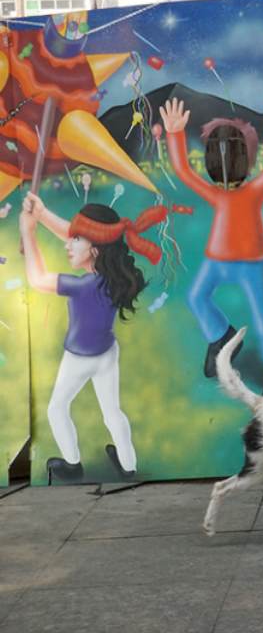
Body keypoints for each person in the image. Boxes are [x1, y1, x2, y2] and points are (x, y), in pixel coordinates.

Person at [19, 191, 166, 483]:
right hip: (107, 354)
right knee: (112, 412)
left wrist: (28, 231)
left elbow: (37, 279)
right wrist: (43, 213)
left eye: (75, 241)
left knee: (56, 409)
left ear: (96, 248)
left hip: (80, 358)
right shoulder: (113, 278)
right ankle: (128, 465)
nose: (67, 244)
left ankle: (73, 465)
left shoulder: (84, 285)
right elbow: (82, 236)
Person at [160, 95, 263, 381]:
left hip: (250, 262)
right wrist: (174, 134)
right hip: (219, 260)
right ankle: (221, 337)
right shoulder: (223, 193)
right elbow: (184, 172)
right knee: (197, 297)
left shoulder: (254, 190)